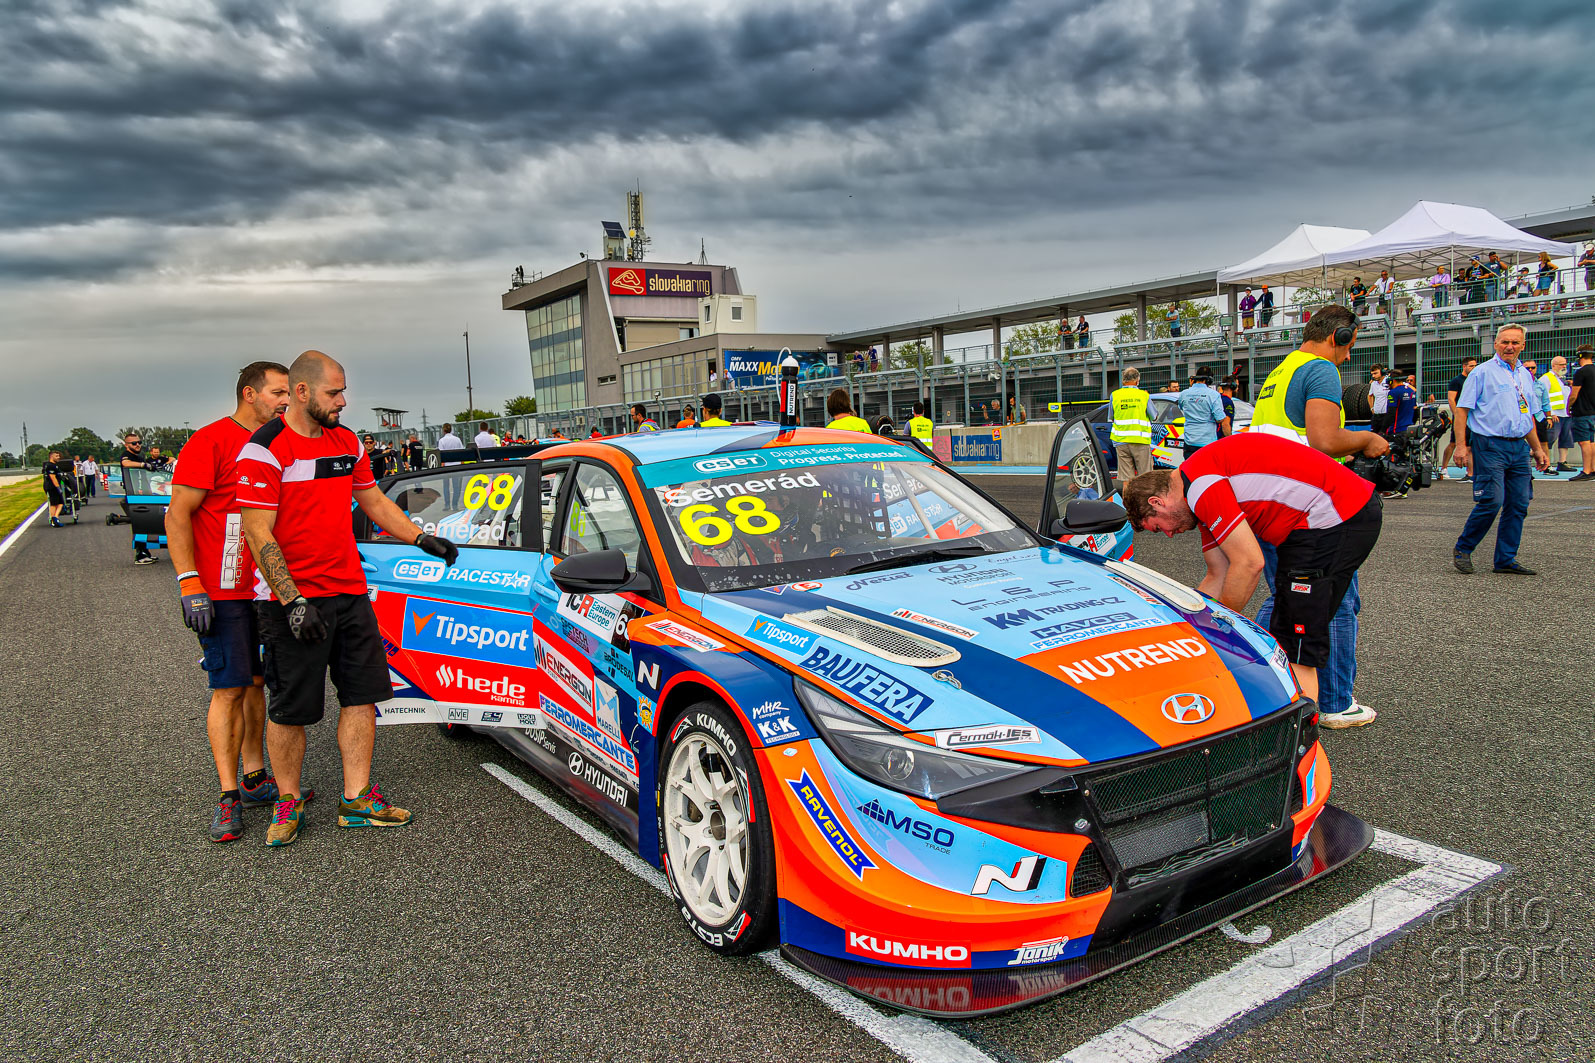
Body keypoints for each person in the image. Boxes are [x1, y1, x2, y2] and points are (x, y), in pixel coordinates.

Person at [237, 350, 461, 847]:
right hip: (291, 601)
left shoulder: (346, 442)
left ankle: (356, 799)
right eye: (333, 392)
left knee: (361, 697)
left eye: (343, 391)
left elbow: (373, 499)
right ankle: (288, 800)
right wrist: (293, 602)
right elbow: (258, 532)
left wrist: (421, 538)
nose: (343, 401)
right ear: (301, 392)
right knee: (290, 709)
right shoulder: (263, 450)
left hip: (350, 592)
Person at [1121, 433, 1381, 713]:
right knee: (1289, 619)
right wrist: (1189, 629)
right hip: (1320, 518)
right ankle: (1293, 708)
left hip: (1336, 515)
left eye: (1158, 527)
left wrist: (1219, 628)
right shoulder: (1194, 488)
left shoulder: (1201, 487)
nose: (1169, 535)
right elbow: (1217, 574)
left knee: (1297, 640)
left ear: (1157, 502)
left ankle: (1305, 727)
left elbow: (1248, 563)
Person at [165, 361, 292, 842]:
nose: (286, 401)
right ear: (249, 394)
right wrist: (189, 582)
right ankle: (227, 795)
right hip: (221, 592)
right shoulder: (210, 441)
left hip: (268, 588)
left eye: (289, 393)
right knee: (230, 689)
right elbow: (178, 515)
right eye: (278, 392)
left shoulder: (282, 441)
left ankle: (255, 776)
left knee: (259, 684)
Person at [1244, 303, 1386, 729]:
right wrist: (1366, 440)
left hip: (1270, 501)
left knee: (1287, 596)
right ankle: (1335, 701)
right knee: (1334, 598)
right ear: (1337, 337)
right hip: (1306, 506)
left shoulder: (1282, 370)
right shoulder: (1322, 369)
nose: (1348, 354)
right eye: (1349, 345)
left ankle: (1248, 673)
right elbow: (1324, 439)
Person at [1451, 324, 1550, 574]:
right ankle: (1464, 548)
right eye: (1505, 342)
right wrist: (1461, 446)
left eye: (1515, 342)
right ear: (1496, 344)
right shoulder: (1482, 372)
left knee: (1519, 503)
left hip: (1518, 447)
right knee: (1492, 500)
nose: (1509, 347)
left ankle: (1505, 559)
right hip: (1490, 445)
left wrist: (1537, 449)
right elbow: (1462, 411)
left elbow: (1526, 415)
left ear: (1523, 345)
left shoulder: (1525, 375)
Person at [119, 433, 161, 563]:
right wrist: (143, 465)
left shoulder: (140, 457)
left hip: (143, 493)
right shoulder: (127, 455)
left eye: (139, 442)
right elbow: (125, 463)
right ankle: (140, 556)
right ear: (126, 445)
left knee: (146, 523)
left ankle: (145, 552)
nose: (137, 445)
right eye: (134, 443)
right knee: (140, 524)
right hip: (135, 495)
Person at [1109, 367, 1156, 480]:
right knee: (1145, 477)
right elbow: (1154, 416)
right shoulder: (1143, 395)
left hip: (1121, 441)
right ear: (1137, 380)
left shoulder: (1114, 395)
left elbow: (1111, 417)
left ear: (1123, 380)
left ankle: (1128, 493)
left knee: (1126, 479)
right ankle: (1142, 493)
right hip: (1140, 440)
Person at [1175, 369, 1228, 459]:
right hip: (1207, 441)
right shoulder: (1214, 395)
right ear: (1208, 380)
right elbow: (1220, 418)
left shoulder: (1184, 394)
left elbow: (1181, 407)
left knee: (1191, 467)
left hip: (1190, 440)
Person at [1444, 357, 1478, 479]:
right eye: (1471, 366)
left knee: (1470, 446)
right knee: (1453, 443)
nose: (1474, 368)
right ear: (1464, 366)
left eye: (1475, 366)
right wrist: (1457, 415)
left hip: (1471, 417)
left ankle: (1470, 472)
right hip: (1460, 417)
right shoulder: (1456, 381)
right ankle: (1444, 468)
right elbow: (1451, 399)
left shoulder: (1475, 380)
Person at [1542, 355, 1575, 473]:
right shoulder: (1546, 378)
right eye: (1561, 364)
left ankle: (1562, 462)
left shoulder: (1562, 379)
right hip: (1555, 415)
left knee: (1566, 439)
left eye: (1565, 364)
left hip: (1565, 414)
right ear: (1554, 365)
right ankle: (1544, 462)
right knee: (1550, 439)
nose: (1564, 366)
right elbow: (1543, 397)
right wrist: (1550, 413)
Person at [1568, 346, 1595, 481]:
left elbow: (1574, 395)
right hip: (1593, 411)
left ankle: (1586, 470)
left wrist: (1568, 406)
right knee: (1591, 442)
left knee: (1584, 442)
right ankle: (1593, 468)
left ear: (1580, 356)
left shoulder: (1580, 372)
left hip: (1582, 412)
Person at [43, 449, 68, 527]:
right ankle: (53, 519)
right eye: (56, 456)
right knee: (54, 504)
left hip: (54, 486)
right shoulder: (50, 466)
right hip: (52, 487)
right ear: (51, 456)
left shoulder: (55, 466)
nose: (58, 457)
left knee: (61, 503)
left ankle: (55, 518)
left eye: (58, 456)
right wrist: (58, 488)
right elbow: (53, 478)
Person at [1367, 365, 1390, 437]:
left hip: (1387, 414)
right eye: (1372, 374)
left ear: (1382, 372)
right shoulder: (1373, 384)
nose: (1373, 376)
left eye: (1375, 373)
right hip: (1376, 415)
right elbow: (1370, 396)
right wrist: (1372, 408)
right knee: (1374, 436)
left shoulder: (1389, 381)